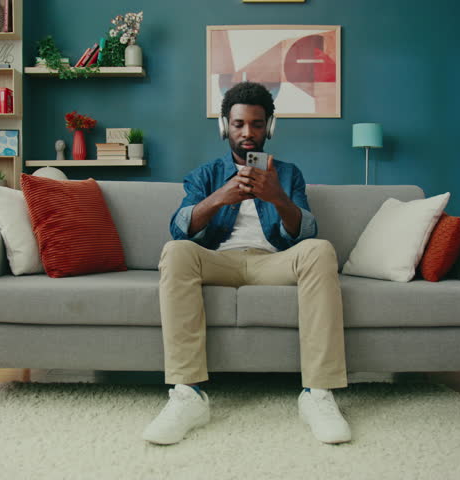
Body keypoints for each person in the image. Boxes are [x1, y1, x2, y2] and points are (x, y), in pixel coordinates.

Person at [142, 82, 350, 445]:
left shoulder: (287, 174)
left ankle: (318, 394)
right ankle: (188, 395)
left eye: (256, 124)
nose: (247, 133)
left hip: (273, 262)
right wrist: (218, 198)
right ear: (225, 127)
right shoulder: (204, 174)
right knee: (175, 252)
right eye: (238, 124)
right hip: (219, 262)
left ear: (269, 126)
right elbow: (180, 228)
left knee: (320, 249)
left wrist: (279, 198)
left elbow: (305, 233)